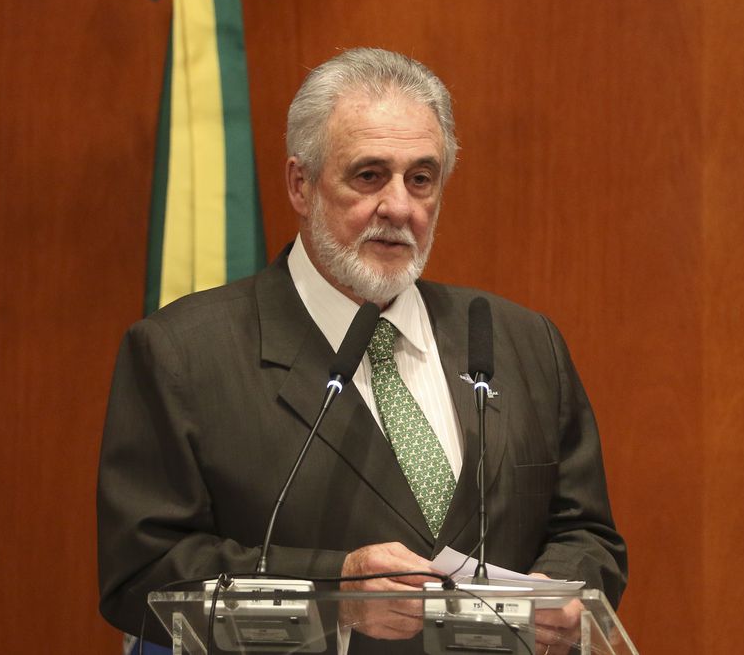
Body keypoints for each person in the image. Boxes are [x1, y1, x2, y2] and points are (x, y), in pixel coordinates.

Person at [97, 47, 627, 653]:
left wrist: (562, 586)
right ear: (301, 184)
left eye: (421, 178)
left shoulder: (521, 341)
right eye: (369, 175)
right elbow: (142, 574)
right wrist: (334, 591)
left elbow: (587, 532)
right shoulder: (183, 354)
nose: (400, 207)